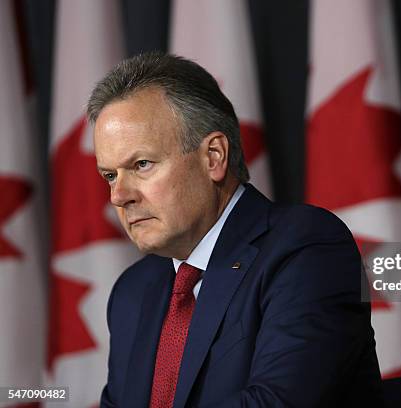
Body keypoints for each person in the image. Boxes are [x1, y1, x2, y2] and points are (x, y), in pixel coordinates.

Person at [89, 52, 382, 407]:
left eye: (141, 164)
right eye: (110, 175)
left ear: (213, 157)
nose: (119, 196)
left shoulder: (306, 250)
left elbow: (276, 403)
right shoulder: (133, 292)